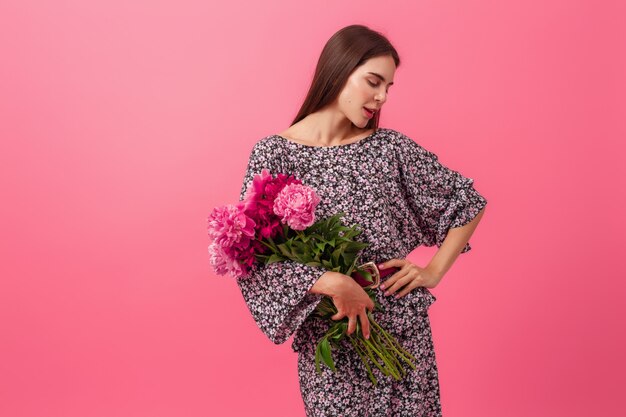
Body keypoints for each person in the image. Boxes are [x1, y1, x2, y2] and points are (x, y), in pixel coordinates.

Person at [236, 24, 487, 417]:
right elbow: (252, 259)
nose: (382, 96)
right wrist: (334, 282)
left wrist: (434, 271)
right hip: (333, 340)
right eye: (373, 81)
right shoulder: (274, 155)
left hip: (401, 330)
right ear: (338, 71)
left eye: (388, 86)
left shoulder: (389, 148)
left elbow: (467, 201)